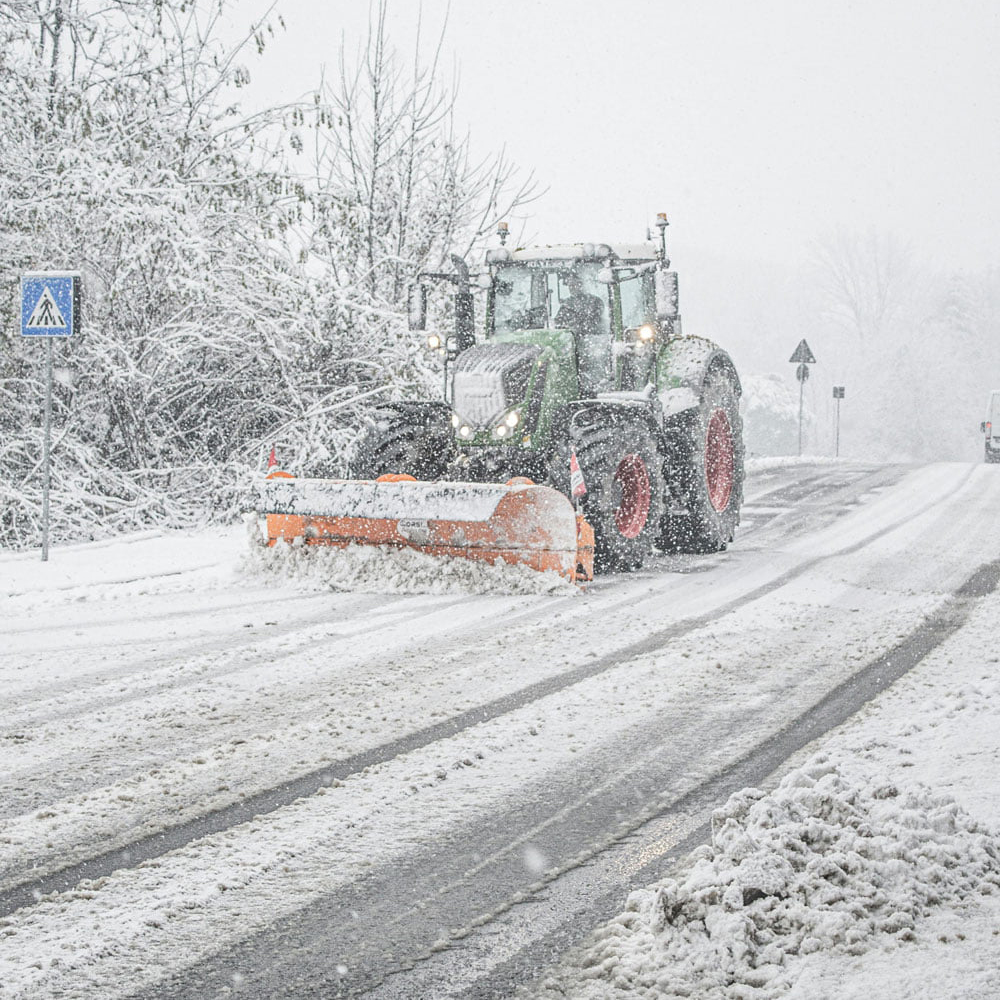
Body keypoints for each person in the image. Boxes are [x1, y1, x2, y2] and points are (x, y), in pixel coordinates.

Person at [554, 272, 605, 338]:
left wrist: (577, 325)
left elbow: (595, 321)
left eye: (574, 285)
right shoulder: (566, 304)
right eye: (570, 286)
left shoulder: (595, 301)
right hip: (571, 340)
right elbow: (559, 322)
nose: (571, 288)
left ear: (580, 285)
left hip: (590, 339)